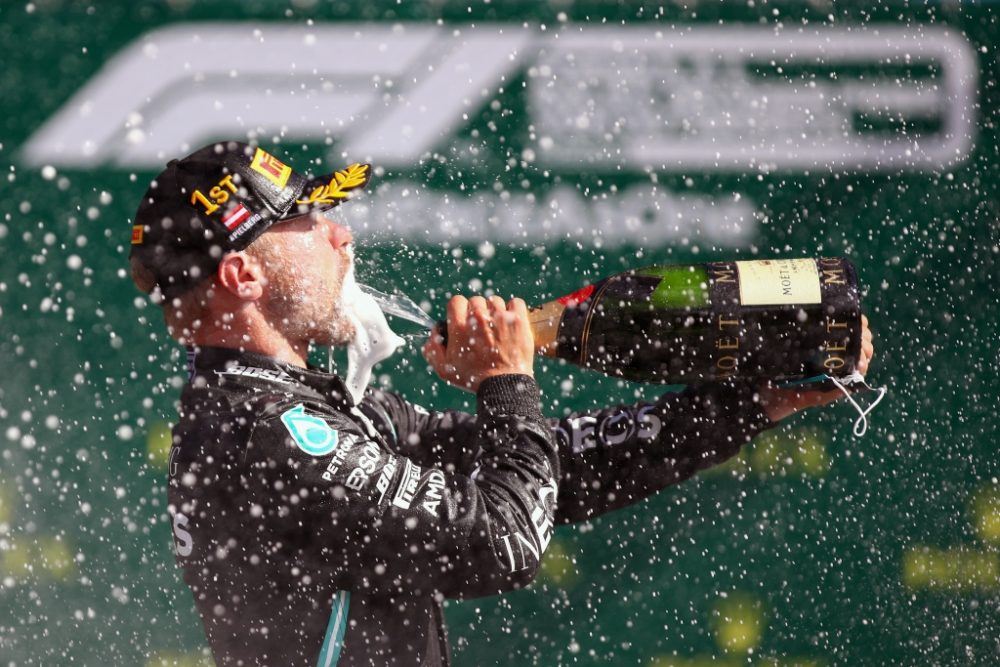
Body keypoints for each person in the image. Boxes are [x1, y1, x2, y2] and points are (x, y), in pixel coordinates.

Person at [129, 141, 874, 667]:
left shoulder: (295, 411)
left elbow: (560, 472)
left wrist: (752, 402)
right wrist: (505, 382)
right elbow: (502, 541)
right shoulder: (266, 432)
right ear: (242, 275)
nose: (340, 233)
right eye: (306, 221)